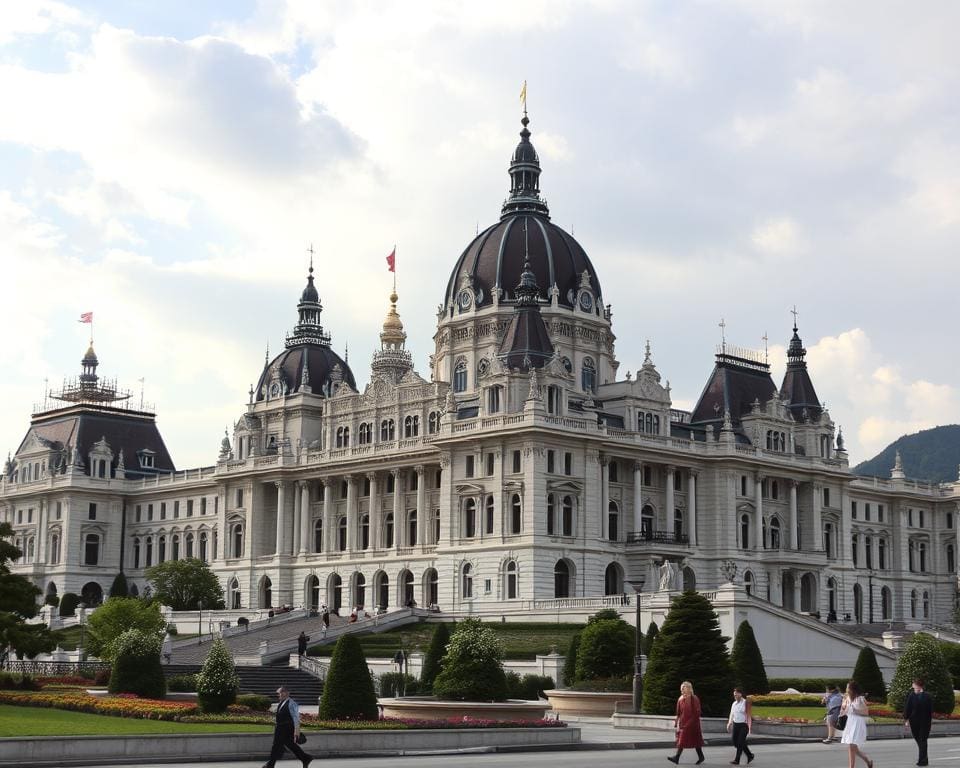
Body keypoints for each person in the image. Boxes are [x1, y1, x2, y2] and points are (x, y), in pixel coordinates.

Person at [262, 686, 312, 768]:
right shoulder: (282, 702)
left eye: (281, 692)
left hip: (286, 728)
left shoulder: (292, 703)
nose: (279, 694)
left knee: (276, 745)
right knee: (290, 745)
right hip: (280, 728)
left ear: (287, 693)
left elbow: (296, 718)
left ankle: (270, 765)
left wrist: (297, 731)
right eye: (279, 693)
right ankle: (305, 758)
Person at [668, 680, 705, 765]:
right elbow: (678, 712)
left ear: (689, 688)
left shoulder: (694, 698)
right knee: (695, 740)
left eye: (683, 688)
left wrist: (689, 723)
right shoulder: (680, 699)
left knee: (683, 740)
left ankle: (677, 757)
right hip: (683, 722)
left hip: (693, 724)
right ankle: (701, 756)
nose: (682, 690)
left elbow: (697, 713)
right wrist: (676, 720)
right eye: (681, 689)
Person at [839, 680, 873, 768]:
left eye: (847, 687)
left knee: (851, 745)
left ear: (852, 689)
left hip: (857, 722)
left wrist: (855, 710)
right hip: (850, 722)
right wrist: (843, 710)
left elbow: (866, 712)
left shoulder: (860, 698)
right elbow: (843, 710)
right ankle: (867, 761)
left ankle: (851, 767)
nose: (846, 689)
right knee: (853, 747)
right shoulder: (846, 698)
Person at [904, 676, 933, 766]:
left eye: (914, 683)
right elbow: (907, 708)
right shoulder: (911, 695)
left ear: (918, 685)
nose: (912, 685)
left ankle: (922, 761)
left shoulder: (927, 696)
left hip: (925, 722)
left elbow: (930, 710)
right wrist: (906, 719)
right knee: (919, 740)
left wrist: (929, 721)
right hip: (914, 721)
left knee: (922, 740)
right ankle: (925, 758)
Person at [726, 687, 754, 765]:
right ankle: (750, 755)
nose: (735, 696)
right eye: (734, 695)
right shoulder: (734, 703)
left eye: (736, 694)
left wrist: (749, 728)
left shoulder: (746, 703)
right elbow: (731, 714)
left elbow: (749, 716)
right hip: (736, 724)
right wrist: (729, 723)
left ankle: (737, 760)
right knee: (735, 742)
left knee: (740, 742)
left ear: (740, 694)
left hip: (743, 725)